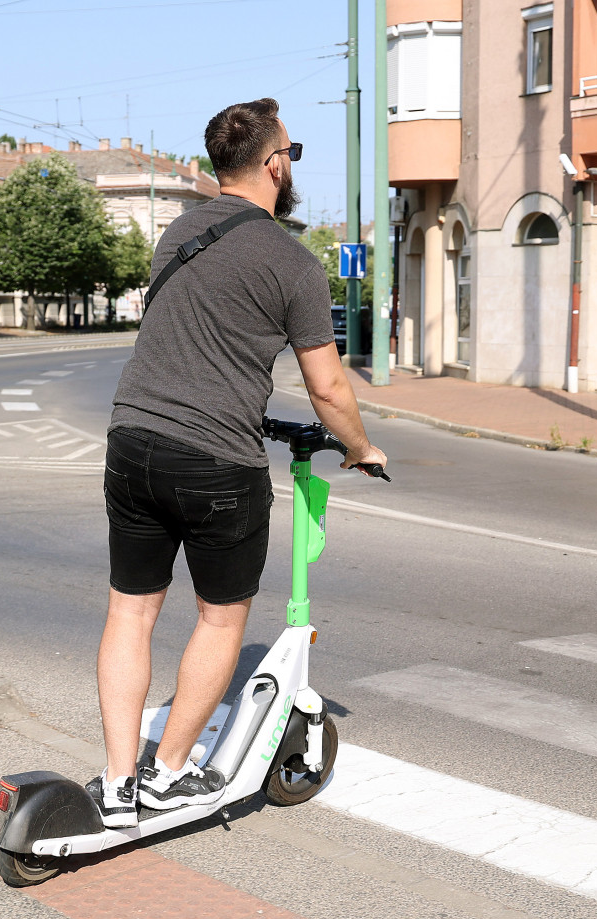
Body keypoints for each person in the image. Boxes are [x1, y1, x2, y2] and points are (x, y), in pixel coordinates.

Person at [92, 98, 387, 827]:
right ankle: (167, 774)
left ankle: (117, 780)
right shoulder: (292, 263)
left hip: (131, 443)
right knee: (221, 621)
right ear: (274, 163)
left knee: (130, 611)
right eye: (293, 152)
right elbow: (328, 386)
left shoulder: (176, 234)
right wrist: (360, 446)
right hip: (216, 463)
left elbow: (192, 339)